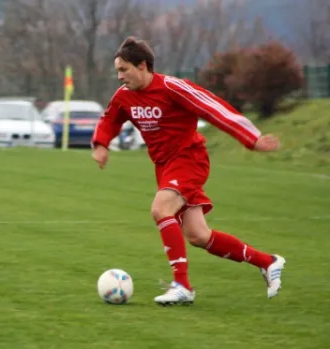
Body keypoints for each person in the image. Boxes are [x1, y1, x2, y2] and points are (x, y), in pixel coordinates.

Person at [91, 36, 286, 306]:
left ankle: (182, 286)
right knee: (198, 235)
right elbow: (109, 118)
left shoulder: (173, 87)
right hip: (164, 167)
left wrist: (251, 138)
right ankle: (268, 262)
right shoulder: (124, 96)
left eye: (123, 69)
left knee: (161, 209)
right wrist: (101, 143)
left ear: (143, 66)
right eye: (118, 71)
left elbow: (214, 108)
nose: (119, 76)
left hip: (189, 160)